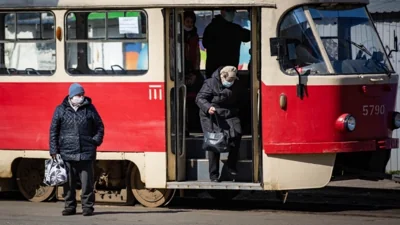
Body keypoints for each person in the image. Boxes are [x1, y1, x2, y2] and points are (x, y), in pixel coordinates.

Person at [49, 83, 104, 216]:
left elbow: (99, 127)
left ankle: (87, 208)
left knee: (87, 183)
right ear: (72, 95)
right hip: (67, 152)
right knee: (68, 183)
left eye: (82, 95)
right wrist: (53, 150)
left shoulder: (90, 109)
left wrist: (94, 142)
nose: (81, 97)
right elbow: (53, 131)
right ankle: (70, 207)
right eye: (79, 95)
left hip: (86, 152)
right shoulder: (60, 110)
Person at [195, 66, 242, 182]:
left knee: (237, 134)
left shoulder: (236, 83)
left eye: (232, 80)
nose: (230, 82)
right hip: (211, 115)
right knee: (214, 142)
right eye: (229, 80)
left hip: (229, 113)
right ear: (222, 76)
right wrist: (208, 107)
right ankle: (214, 175)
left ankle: (231, 166)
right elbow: (199, 98)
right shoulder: (210, 83)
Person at [202, 8, 250, 78]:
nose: (233, 14)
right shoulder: (235, 29)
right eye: (231, 11)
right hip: (230, 70)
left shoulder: (210, 28)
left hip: (213, 71)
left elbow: (205, 44)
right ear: (222, 12)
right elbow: (249, 36)